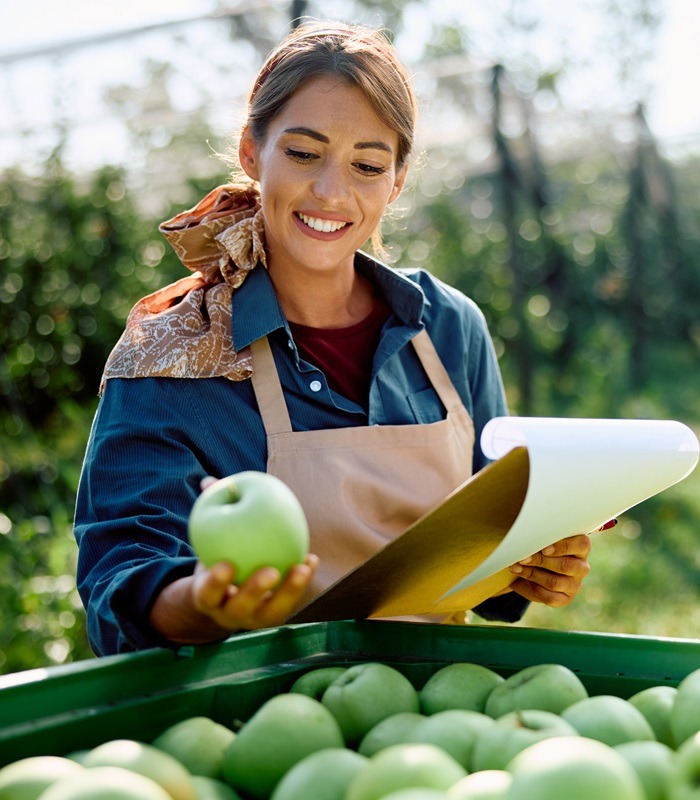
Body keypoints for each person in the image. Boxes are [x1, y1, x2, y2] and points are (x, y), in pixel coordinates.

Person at [73, 21, 593, 656]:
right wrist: (199, 605)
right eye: (302, 153)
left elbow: (484, 545)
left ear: (396, 181)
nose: (331, 191)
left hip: (439, 712)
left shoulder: (449, 328)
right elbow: (118, 576)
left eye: (367, 165)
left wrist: (529, 567)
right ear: (250, 151)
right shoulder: (172, 356)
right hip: (259, 724)